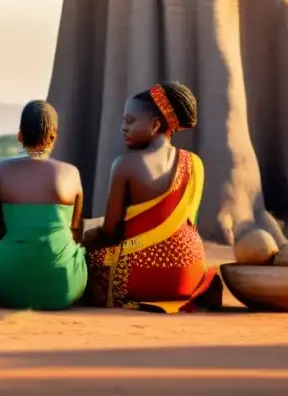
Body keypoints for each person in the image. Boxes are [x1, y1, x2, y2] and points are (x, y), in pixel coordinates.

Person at [84, 81, 221, 313]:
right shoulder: (195, 163)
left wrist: (85, 235)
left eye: (130, 121)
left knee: (86, 258)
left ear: (156, 124)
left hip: (141, 275)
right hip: (189, 273)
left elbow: (111, 232)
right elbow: (190, 223)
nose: (123, 128)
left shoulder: (125, 164)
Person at [0, 100, 86, 310]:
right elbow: (76, 233)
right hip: (63, 288)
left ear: (20, 136)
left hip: (7, 286)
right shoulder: (71, 173)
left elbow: (0, 231)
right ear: (54, 134)